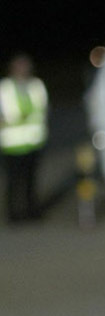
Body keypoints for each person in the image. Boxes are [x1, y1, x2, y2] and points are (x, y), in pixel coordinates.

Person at [0, 53, 47, 222]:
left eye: (25, 65)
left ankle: (32, 213)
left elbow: (42, 109)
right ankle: (13, 215)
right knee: (13, 182)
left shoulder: (36, 85)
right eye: (19, 66)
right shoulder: (5, 88)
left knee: (31, 181)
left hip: (34, 141)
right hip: (12, 144)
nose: (23, 69)